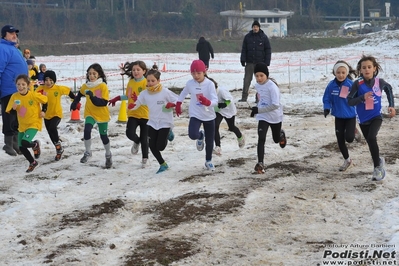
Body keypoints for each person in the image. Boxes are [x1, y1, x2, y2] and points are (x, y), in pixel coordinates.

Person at [347, 55, 395, 181]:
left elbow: (389, 89)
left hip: (376, 116)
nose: (367, 69)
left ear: (374, 68)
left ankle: (377, 168)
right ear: (360, 70)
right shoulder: (357, 84)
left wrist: (391, 106)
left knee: (371, 137)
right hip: (363, 119)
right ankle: (378, 160)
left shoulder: (380, 82)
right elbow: (350, 101)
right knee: (370, 142)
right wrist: (362, 97)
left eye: (369, 67)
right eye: (364, 67)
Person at [129, 66, 178, 173]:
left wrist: (172, 104)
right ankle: (163, 164)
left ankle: (169, 132)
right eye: (148, 81)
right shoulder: (145, 93)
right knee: (151, 145)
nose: (150, 83)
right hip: (152, 122)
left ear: (158, 81)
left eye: (153, 81)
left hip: (165, 122)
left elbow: (178, 101)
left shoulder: (165, 92)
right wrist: (132, 105)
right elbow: (138, 103)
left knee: (160, 146)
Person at [175, 59, 218, 171]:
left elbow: (215, 101)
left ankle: (208, 161)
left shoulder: (210, 84)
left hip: (209, 115)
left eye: (198, 73)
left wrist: (208, 102)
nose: (196, 76)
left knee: (210, 141)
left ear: (204, 72)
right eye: (193, 73)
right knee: (192, 134)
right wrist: (179, 103)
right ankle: (200, 136)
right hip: (195, 113)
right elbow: (184, 92)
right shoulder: (190, 83)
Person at [70, 63, 113, 169]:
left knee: (103, 137)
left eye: (94, 74)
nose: (91, 76)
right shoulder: (86, 86)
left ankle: (108, 154)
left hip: (102, 115)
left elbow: (103, 102)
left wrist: (92, 97)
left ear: (99, 75)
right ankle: (88, 152)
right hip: (90, 113)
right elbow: (80, 94)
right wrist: (75, 102)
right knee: (87, 130)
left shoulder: (103, 86)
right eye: (89, 74)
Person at [108, 61, 149, 168]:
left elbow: (150, 99)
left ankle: (145, 159)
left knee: (145, 138)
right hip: (133, 113)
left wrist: (140, 99)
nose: (135, 72)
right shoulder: (131, 82)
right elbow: (128, 96)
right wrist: (117, 98)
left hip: (146, 115)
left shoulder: (146, 82)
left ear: (144, 71)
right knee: (129, 133)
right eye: (134, 70)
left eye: (138, 70)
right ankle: (136, 141)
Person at [322, 60, 361, 172]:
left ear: (346, 73)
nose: (341, 75)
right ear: (335, 73)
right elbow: (327, 98)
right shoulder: (331, 85)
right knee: (340, 140)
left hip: (350, 116)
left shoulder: (350, 84)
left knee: (349, 139)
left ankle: (353, 130)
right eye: (338, 72)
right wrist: (326, 107)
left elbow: (358, 97)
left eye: (343, 72)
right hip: (338, 116)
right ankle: (347, 160)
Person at [6, 74, 47, 173]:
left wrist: (44, 110)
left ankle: (35, 145)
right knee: (21, 147)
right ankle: (33, 162)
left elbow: (45, 100)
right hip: (22, 125)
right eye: (18, 84)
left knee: (25, 142)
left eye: (23, 84)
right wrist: (13, 108)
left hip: (34, 123)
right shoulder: (14, 97)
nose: (21, 87)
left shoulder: (33, 95)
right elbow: (9, 111)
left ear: (28, 85)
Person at [250, 63, 286, 174]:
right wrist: (256, 109)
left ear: (266, 75)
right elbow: (261, 98)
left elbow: (275, 105)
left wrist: (259, 110)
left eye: (261, 75)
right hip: (263, 116)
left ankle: (281, 135)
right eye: (257, 76)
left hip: (275, 116)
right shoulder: (257, 85)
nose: (259, 78)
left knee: (276, 140)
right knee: (261, 139)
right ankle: (260, 163)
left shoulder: (272, 87)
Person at [36, 70, 76, 161]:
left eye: (51, 80)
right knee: (50, 134)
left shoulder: (58, 88)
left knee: (52, 128)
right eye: (46, 80)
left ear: (54, 80)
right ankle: (59, 149)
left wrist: (75, 100)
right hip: (46, 115)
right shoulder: (41, 89)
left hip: (57, 114)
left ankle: (58, 147)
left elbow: (68, 91)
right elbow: (33, 96)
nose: (48, 82)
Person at [0, 24, 28, 156]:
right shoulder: (2, 48)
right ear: (4, 35)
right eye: (11, 33)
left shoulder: (14, 48)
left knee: (18, 116)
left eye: (16, 34)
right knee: (9, 116)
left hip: (19, 89)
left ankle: (16, 143)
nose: (14, 36)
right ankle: (8, 144)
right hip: (8, 89)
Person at [207, 76, 245, 155]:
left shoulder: (221, 91)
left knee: (231, 127)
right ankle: (218, 147)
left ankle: (240, 137)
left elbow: (230, 99)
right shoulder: (208, 93)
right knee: (215, 126)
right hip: (219, 111)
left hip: (228, 110)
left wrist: (224, 104)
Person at [239, 20, 272, 103]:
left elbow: (268, 50)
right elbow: (244, 49)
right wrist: (243, 59)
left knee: (260, 81)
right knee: (247, 80)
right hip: (249, 62)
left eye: (257, 27)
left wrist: (267, 62)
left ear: (259, 27)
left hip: (260, 64)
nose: (255, 28)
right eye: (254, 27)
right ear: (252, 28)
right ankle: (244, 97)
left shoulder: (263, 37)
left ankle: (259, 98)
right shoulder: (247, 37)